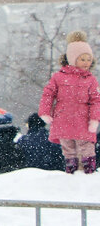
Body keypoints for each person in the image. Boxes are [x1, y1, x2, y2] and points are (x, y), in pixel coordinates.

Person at [39, 30, 100, 174]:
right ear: (73, 59)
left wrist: (94, 118)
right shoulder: (59, 77)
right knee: (68, 148)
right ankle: (71, 171)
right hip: (63, 118)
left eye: (88, 59)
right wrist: (45, 112)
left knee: (86, 147)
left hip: (83, 120)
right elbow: (48, 94)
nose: (86, 63)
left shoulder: (91, 80)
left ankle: (87, 171)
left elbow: (96, 100)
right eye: (82, 59)